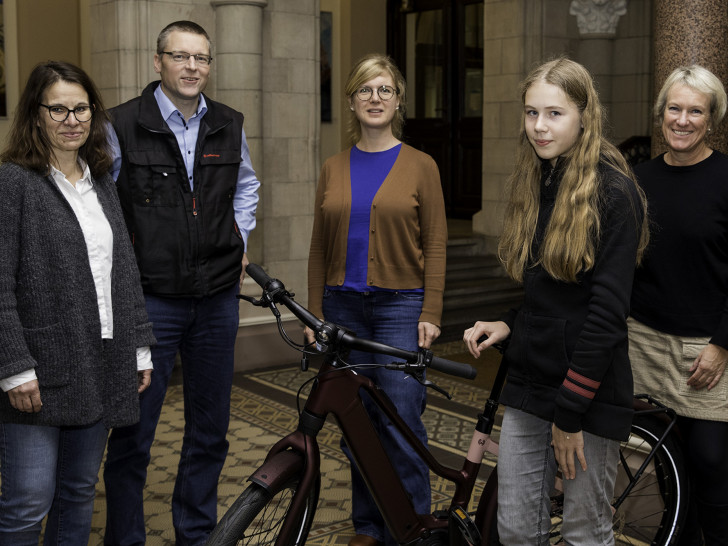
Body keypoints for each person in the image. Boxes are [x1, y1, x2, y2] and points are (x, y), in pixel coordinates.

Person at [463, 58, 648, 545]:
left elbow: (606, 316)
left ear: (585, 115)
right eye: (530, 113)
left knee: (585, 533)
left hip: (586, 393)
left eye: (554, 113)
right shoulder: (537, 180)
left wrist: (569, 416)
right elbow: (553, 293)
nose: (539, 127)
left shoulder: (614, 191)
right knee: (516, 531)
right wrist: (512, 323)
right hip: (530, 384)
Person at [102, 20, 260, 546]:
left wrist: (239, 237)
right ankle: (125, 538)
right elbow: (103, 207)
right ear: (158, 62)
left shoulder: (230, 124)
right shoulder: (121, 124)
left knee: (210, 432)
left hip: (216, 301)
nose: (192, 67)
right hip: (149, 303)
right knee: (133, 433)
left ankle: (196, 534)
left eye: (202, 59)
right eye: (180, 56)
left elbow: (247, 187)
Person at [0, 61, 155, 545]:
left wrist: (138, 348)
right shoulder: (13, 182)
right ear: (36, 114)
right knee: (27, 503)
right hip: (38, 371)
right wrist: (14, 366)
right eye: (59, 109)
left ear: (95, 114)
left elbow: (122, 271)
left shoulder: (101, 180)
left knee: (78, 494)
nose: (72, 119)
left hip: (98, 363)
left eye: (81, 108)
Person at [306, 53, 447, 546]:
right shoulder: (332, 167)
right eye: (365, 89)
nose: (374, 98)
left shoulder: (421, 166)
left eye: (384, 89)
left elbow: (434, 242)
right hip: (342, 310)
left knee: (401, 421)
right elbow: (319, 246)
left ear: (398, 100)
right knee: (357, 426)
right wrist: (315, 313)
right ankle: (369, 526)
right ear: (351, 100)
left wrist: (430, 311)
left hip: (400, 308)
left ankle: (412, 530)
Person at [628, 65, 728, 546]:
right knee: (664, 462)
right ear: (661, 113)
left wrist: (722, 345)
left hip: (708, 348)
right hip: (643, 341)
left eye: (696, 111)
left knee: (711, 459)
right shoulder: (638, 179)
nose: (683, 120)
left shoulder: (727, 177)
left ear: (712, 119)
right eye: (674, 108)